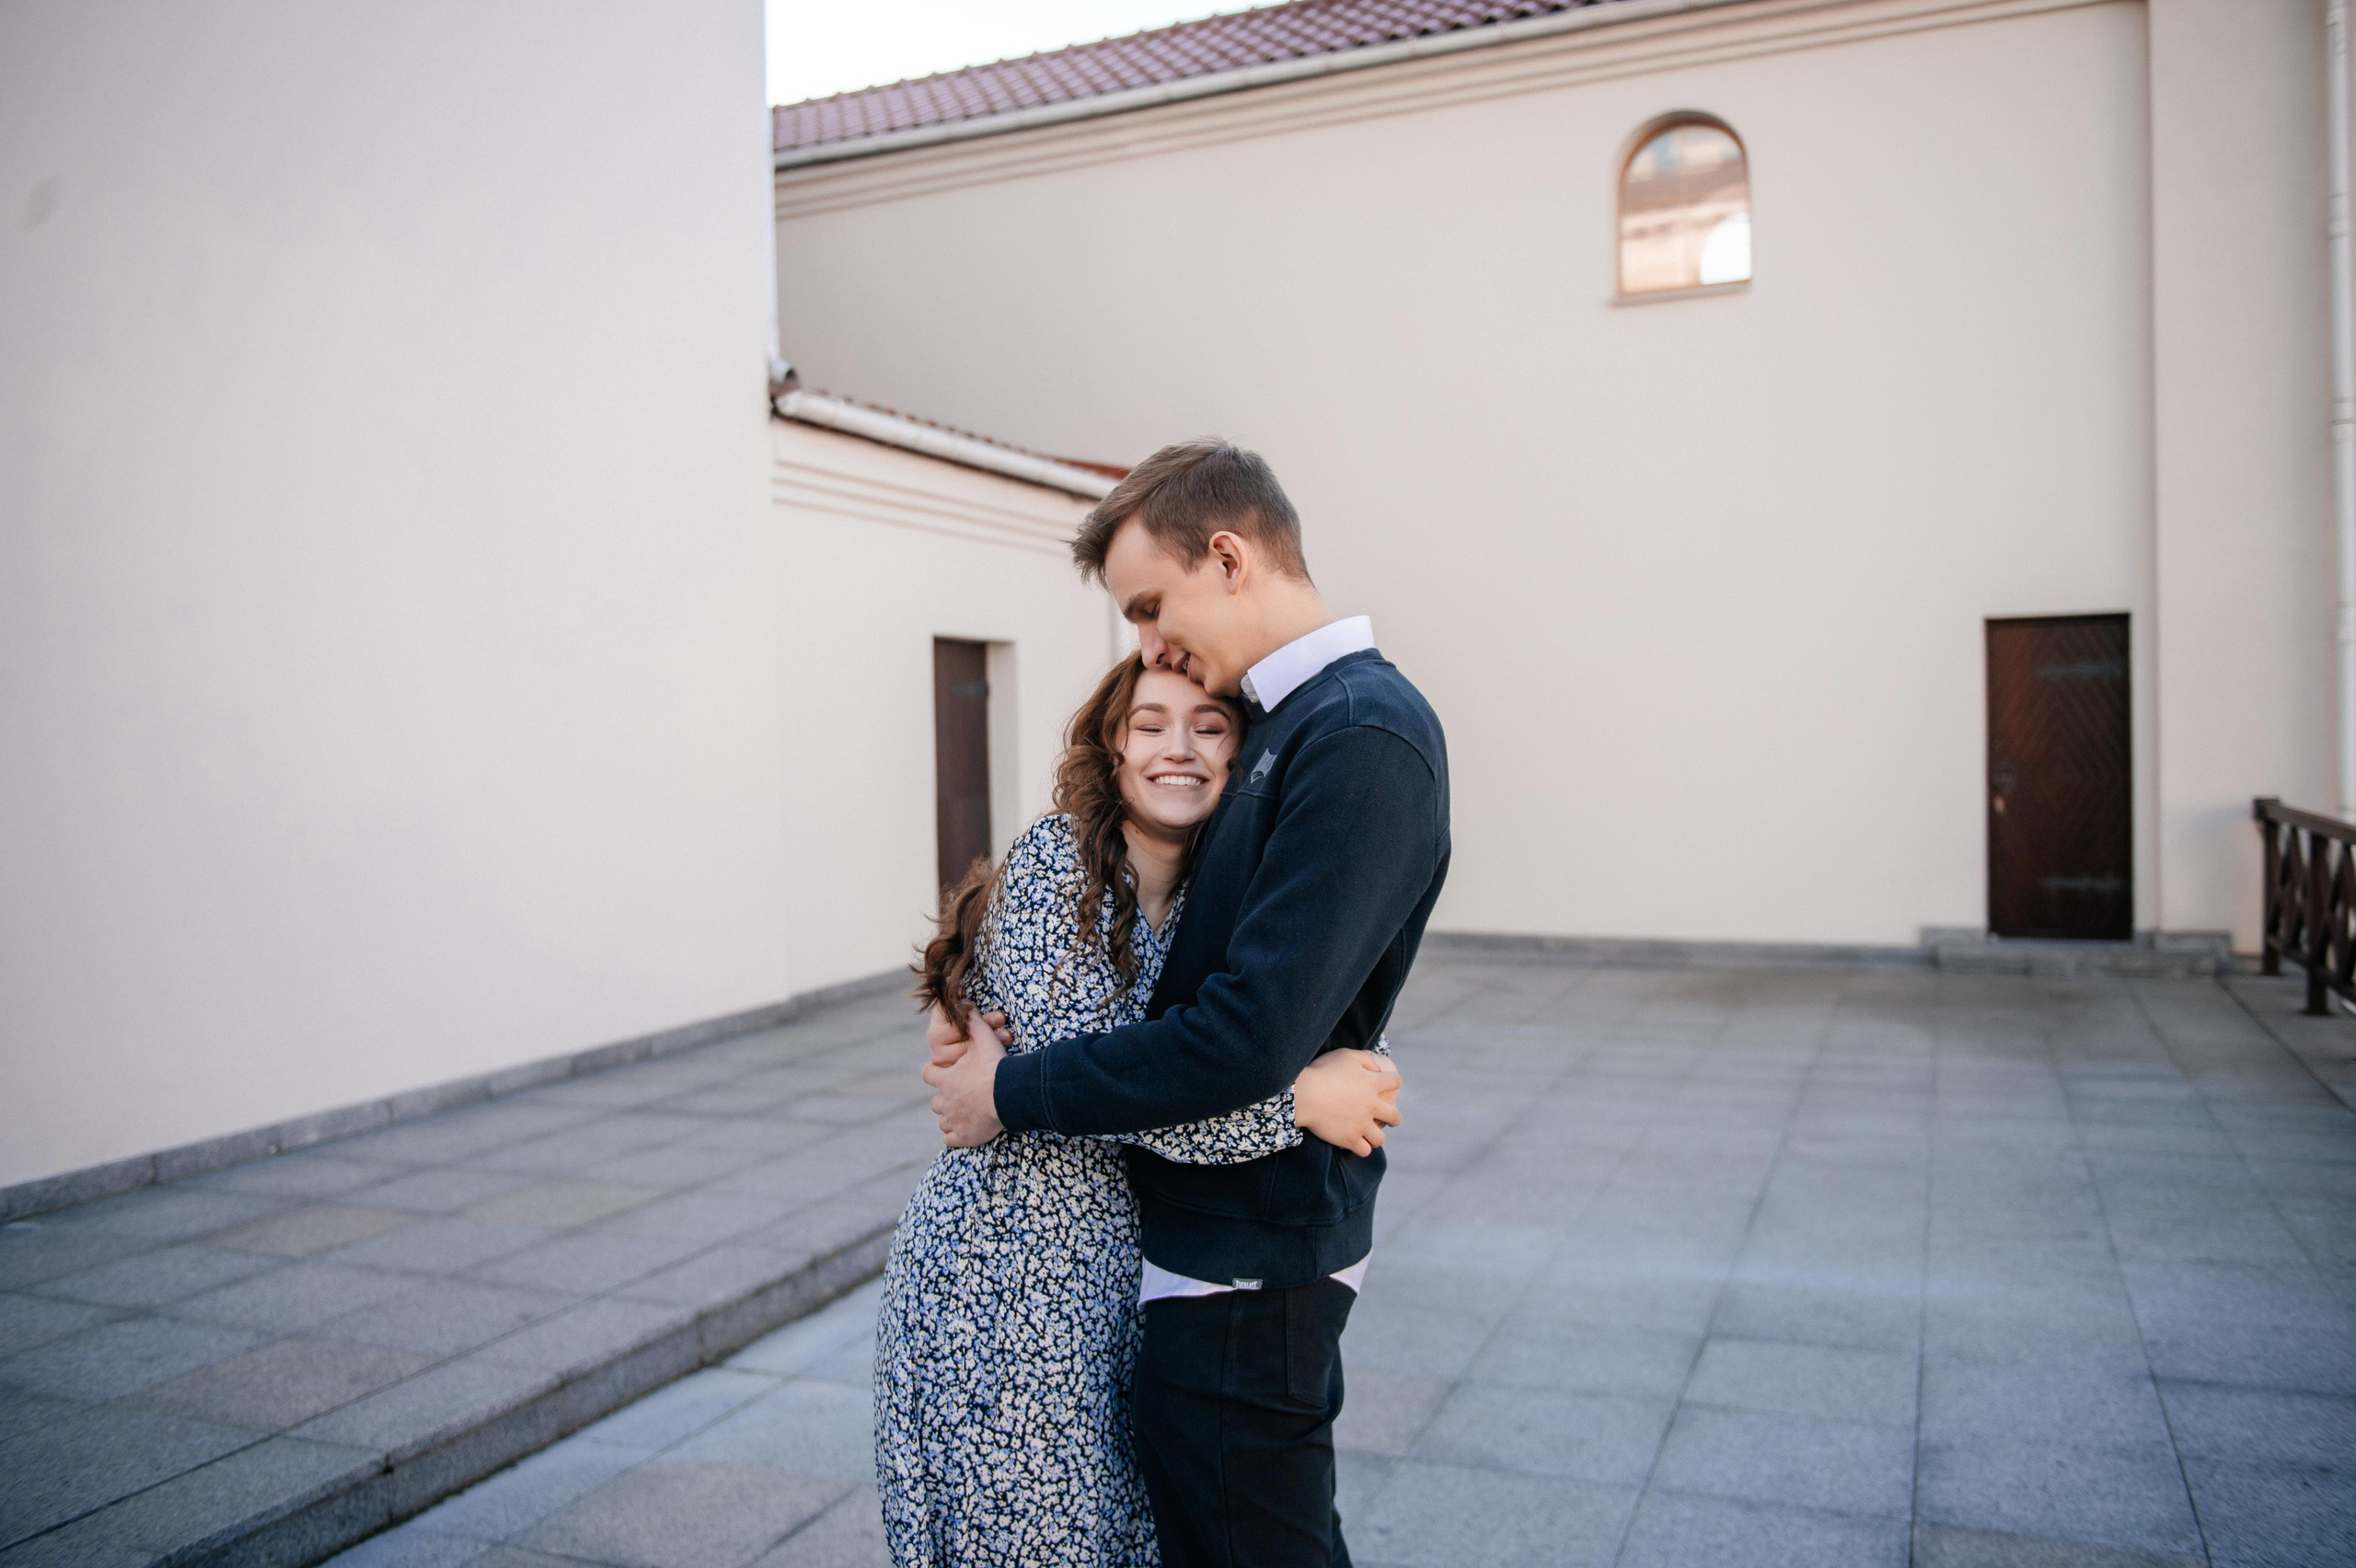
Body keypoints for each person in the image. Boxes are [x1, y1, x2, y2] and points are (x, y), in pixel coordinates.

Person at [927, 440, 1450, 1568]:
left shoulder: (1356, 735)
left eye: (1152, 606)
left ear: (1227, 555)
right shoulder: (1288, 723)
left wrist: (1009, 1089)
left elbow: (1242, 1035)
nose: (1151, 646)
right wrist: (971, 985)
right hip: (1207, 1243)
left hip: (1252, 1259)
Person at [877, 653, 1404, 1568]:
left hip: (1131, 1269)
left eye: (1210, 727)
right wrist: (1304, 1101)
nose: (1180, 749)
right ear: (1112, 746)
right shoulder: (1054, 865)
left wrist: (1337, 1059)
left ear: (1243, 756)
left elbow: (1256, 1027)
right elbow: (1111, 1090)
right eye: (1150, 724)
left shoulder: (1226, 889)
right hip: (1011, 1271)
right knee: (1038, 1539)